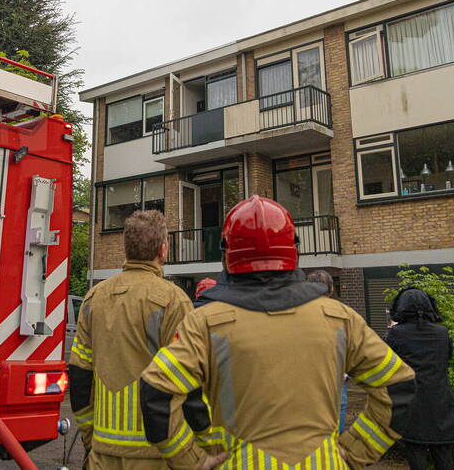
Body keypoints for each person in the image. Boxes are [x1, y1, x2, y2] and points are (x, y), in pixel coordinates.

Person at [139, 196, 416, 469]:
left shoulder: (205, 323)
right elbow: (397, 385)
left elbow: (157, 390)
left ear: (226, 253)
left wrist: (191, 461)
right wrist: (354, 452)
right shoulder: (339, 318)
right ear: (294, 249)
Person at [68, 209, 206, 469]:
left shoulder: (94, 298)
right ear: (163, 250)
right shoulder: (174, 301)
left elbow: (79, 377)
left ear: (126, 249)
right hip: (157, 456)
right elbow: (190, 386)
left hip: (102, 453)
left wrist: (91, 439)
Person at [385, 288, 454, 470]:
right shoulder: (442, 332)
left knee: (415, 450)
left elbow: (387, 364)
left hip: (412, 402)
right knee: (443, 452)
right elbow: (447, 358)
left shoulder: (397, 334)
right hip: (440, 399)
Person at [307, 269, 349, 433]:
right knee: (338, 413)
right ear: (331, 289)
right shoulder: (345, 315)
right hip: (338, 376)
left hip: (309, 377)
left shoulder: (296, 315)